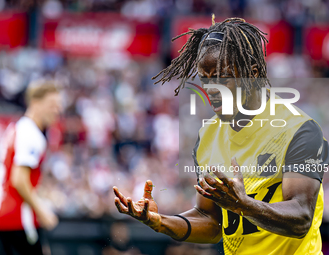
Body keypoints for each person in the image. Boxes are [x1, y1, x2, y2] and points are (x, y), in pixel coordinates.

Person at [113, 17, 329, 254]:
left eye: (221, 75)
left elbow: (301, 217)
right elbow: (212, 221)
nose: (211, 88)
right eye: (205, 77)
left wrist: (244, 205)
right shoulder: (208, 136)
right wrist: (160, 221)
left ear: (253, 73)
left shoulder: (300, 130)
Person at [0, 80, 62, 255]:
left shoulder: (18, 128)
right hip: (17, 219)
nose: (56, 111)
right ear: (35, 103)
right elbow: (19, 179)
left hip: (0, 215)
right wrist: (42, 209)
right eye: (51, 105)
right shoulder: (31, 134)